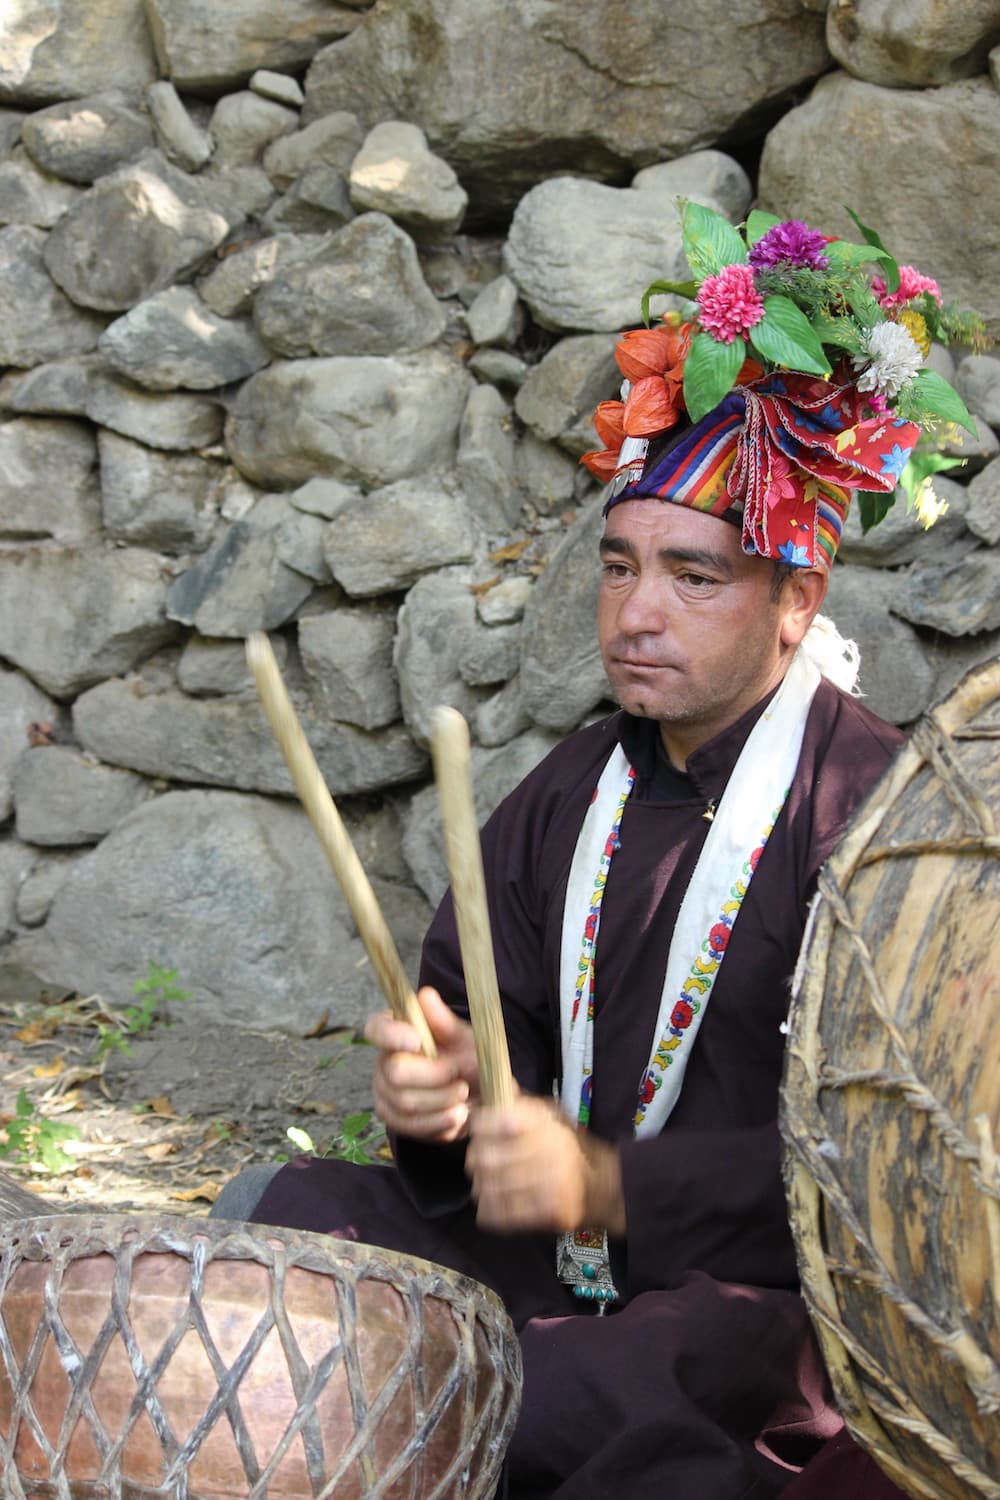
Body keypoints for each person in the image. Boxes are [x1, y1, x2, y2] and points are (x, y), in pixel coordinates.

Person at [221, 209, 982, 1498]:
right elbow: (475, 1044)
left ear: (797, 604)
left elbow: (896, 1168)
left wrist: (618, 1185)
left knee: (575, 1397)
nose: (634, 616)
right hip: (550, 1259)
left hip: (763, 1293)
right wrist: (438, 1108)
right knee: (287, 1229)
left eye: (695, 579)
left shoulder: (879, 826)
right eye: (619, 566)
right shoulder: (569, 790)